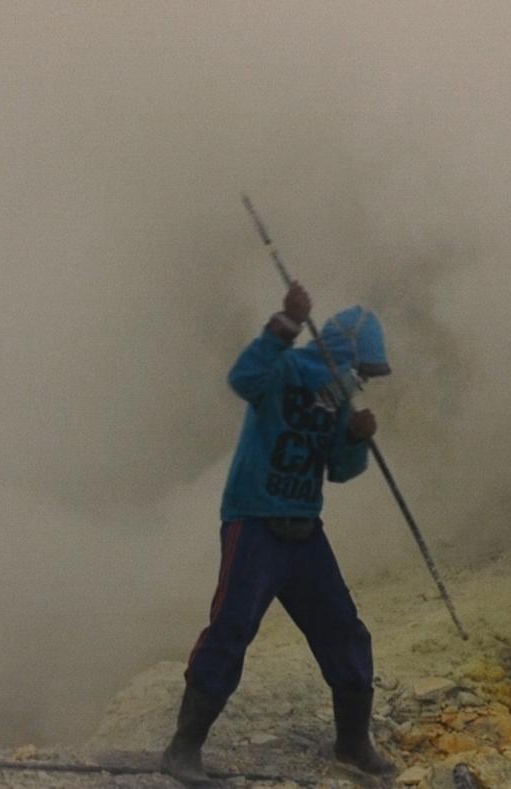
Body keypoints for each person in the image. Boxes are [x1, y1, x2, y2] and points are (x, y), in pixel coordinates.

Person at [161, 281, 398, 783]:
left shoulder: (340, 402)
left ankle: (352, 744)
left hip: (304, 529)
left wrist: (355, 441)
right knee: (231, 629)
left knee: (343, 629)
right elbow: (243, 378)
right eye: (360, 369)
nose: (360, 381)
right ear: (342, 355)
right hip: (255, 522)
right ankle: (183, 749)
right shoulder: (287, 368)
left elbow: (340, 470)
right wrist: (284, 324)